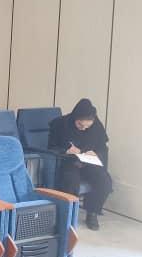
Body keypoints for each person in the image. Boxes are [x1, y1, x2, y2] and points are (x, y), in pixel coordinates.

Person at [48, 98, 112, 231]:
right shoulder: (61, 124)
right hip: (69, 162)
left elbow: (102, 148)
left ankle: (92, 212)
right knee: (70, 181)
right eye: (80, 125)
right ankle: (68, 214)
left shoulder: (96, 127)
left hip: (89, 164)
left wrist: (96, 154)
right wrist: (66, 150)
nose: (83, 129)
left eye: (87, 127)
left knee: (104, 181)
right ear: (75, 117)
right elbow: (51, 147)